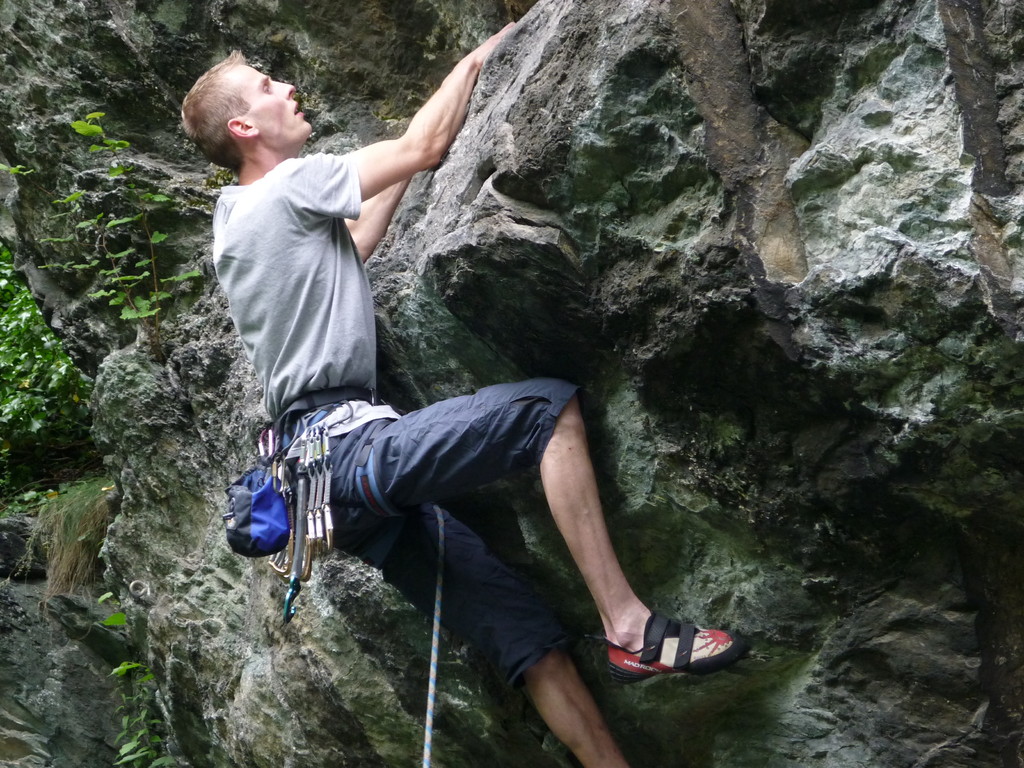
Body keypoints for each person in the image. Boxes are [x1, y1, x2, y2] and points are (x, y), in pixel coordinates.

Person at [182, 24, 747, 768]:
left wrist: (403, 172)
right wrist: (475, 61)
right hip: (348, 453)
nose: (286, 87)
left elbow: (353, 249)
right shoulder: (289, 184)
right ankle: (631, 627)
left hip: (322, 491)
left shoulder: (238, 222)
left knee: (529, 644)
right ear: (245, 126)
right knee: (547, 413)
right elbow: (421, 146)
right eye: (266, 85)